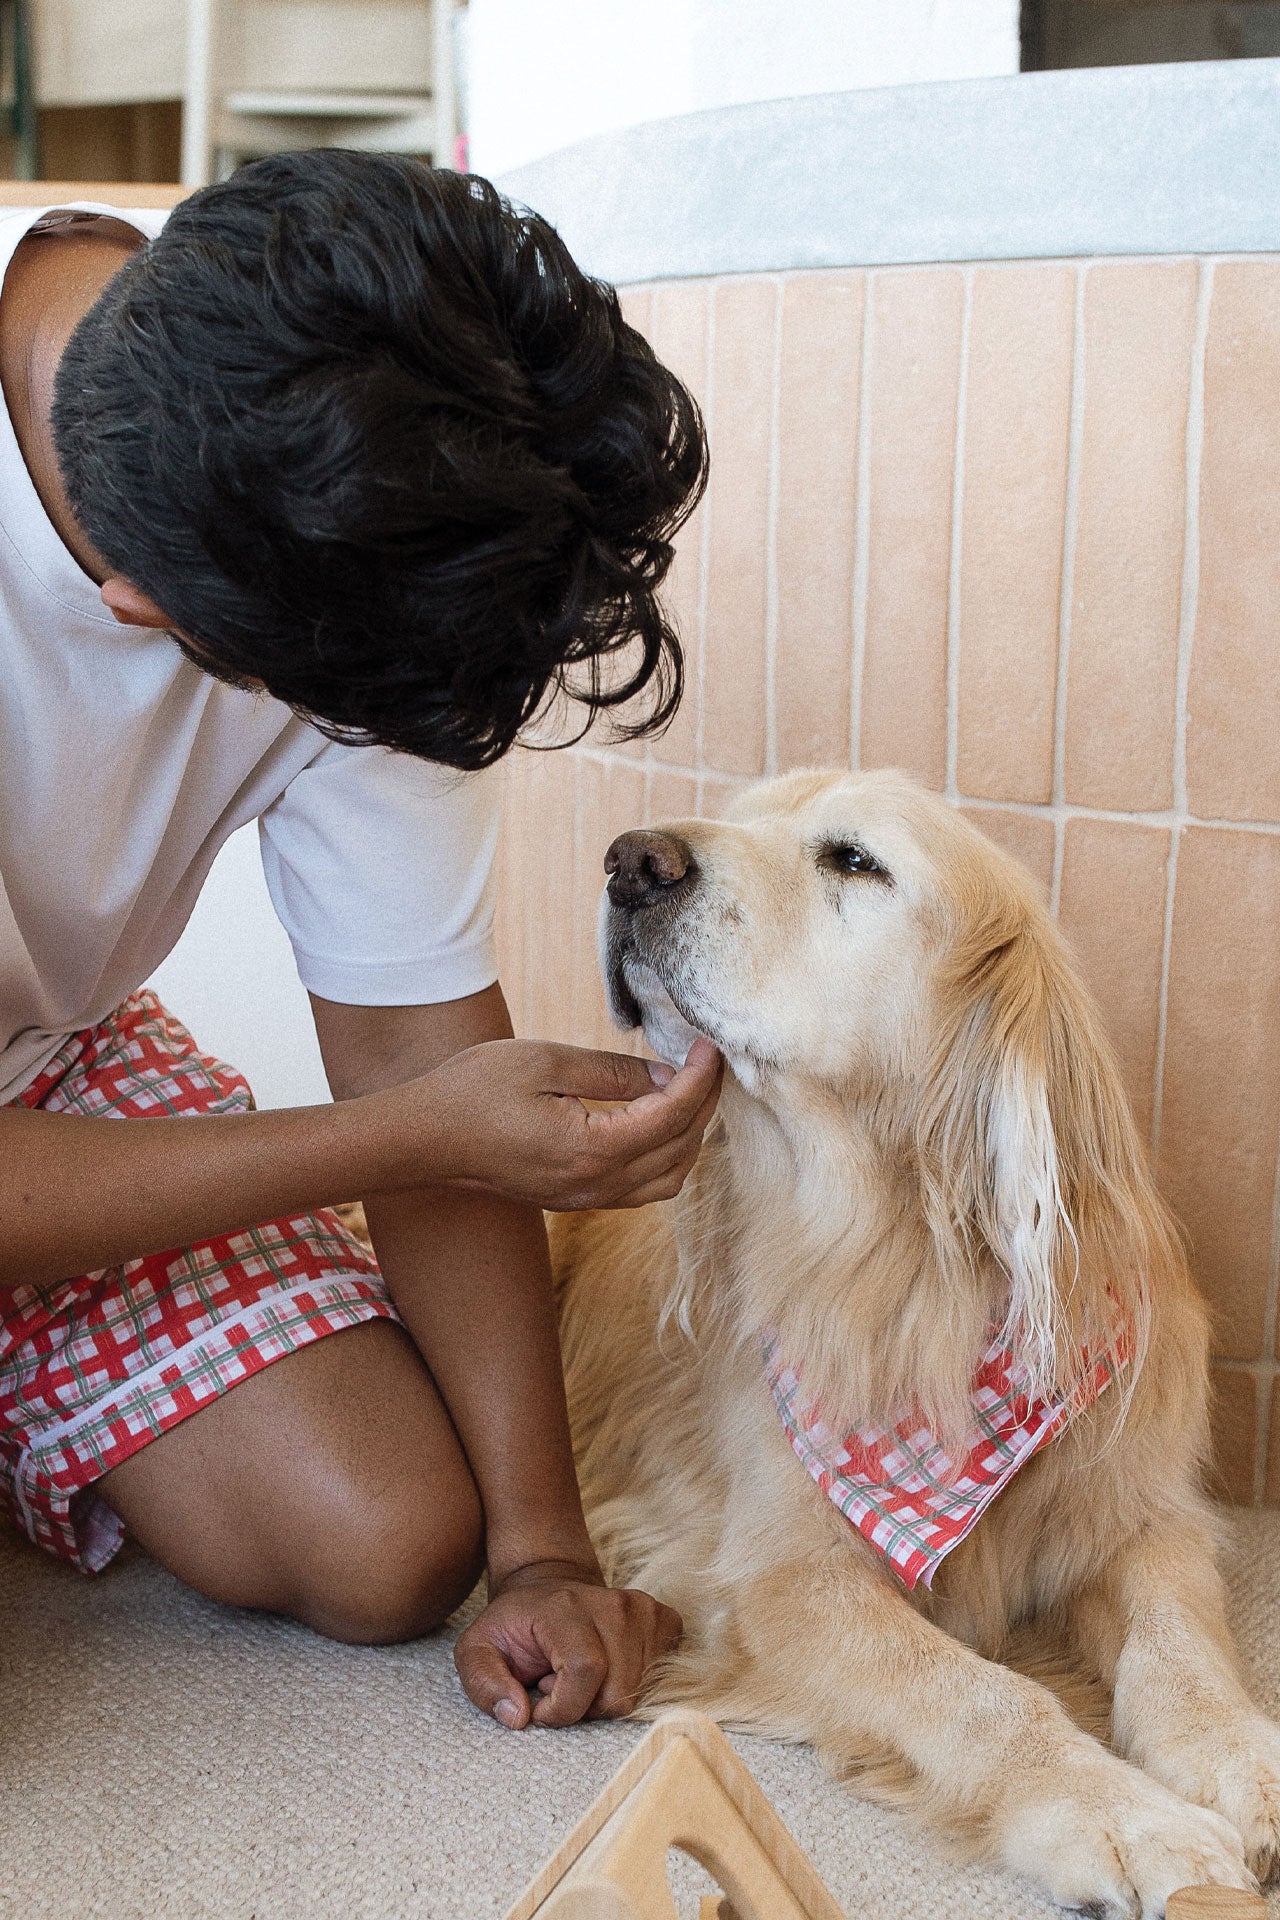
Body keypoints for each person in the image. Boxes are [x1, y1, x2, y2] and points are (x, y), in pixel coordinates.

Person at [0, 149, 720, 1731]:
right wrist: (389, 1135)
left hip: (45, 1062)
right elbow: (409, 1116)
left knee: (394, 1536)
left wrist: (541, 1551)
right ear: (140, 612)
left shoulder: (360, 488)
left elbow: (415, 1049)